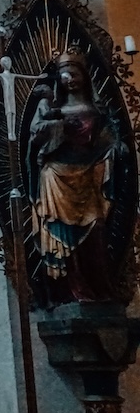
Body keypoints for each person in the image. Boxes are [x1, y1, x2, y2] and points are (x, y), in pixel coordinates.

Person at [27, 47, 125, 302]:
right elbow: (35, 134)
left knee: (96, 227)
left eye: (74, 73)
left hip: (89, 171)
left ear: (84, 76)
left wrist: (117, 150)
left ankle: (102, 286)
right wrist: (58, 122)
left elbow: (108, 141)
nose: (69, 79)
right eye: (64, 75)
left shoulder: (96, 108)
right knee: (64, 235)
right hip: (56, 175)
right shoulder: (49, 106)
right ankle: (74, 290)